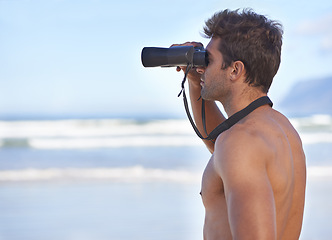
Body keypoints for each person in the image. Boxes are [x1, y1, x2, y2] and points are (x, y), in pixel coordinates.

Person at [172, 9, 306, 240]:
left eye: (208, 59)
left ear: (235, 70)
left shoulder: (240, 143)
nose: (202, 67)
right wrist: (195, 82)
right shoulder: (280, 130)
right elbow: (220, 146)